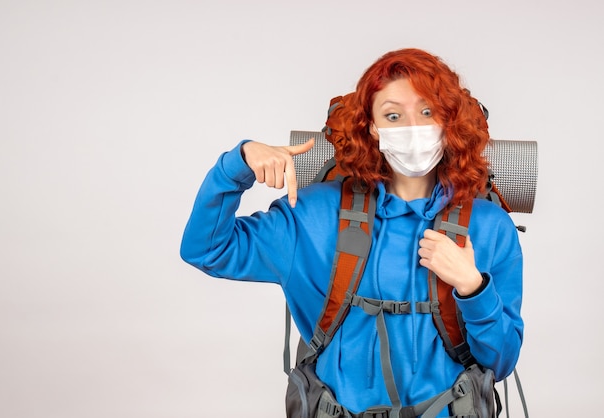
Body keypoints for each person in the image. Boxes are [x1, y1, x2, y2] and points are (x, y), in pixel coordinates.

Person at [180, 48, 523, 416]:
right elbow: (207, 250)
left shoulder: (489, 227)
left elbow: (500, 361)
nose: (412, 127)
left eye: (427, 111)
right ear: (372, 126)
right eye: (393, 115)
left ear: (448, 120)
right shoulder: (314, 216)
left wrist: (474, 287)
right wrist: (238, 164)